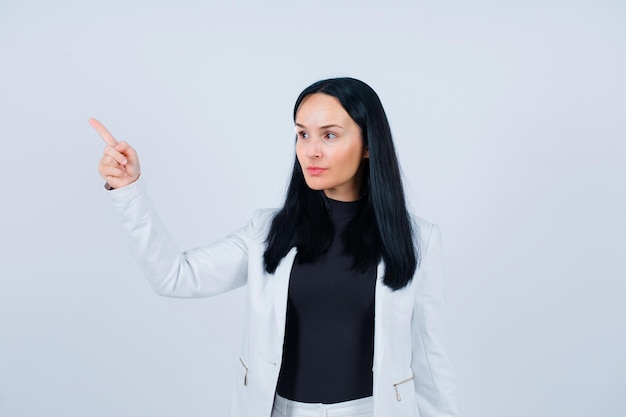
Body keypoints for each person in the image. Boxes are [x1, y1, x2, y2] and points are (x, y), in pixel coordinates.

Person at [92, 77, 460, 417]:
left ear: (368, 145)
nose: (310, 151)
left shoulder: (417, 239)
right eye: (302, 134)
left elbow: (430, 361)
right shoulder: (267, 231)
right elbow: (175, 277)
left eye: (329, 136)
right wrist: (129, 190)